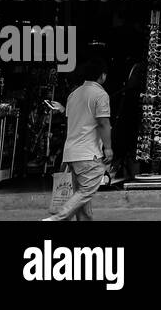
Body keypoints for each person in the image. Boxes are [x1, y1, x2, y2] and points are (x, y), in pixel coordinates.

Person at [45, 58, 112, 222]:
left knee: (83, 200)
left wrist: (62, 109)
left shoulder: (73, 94)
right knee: (86, 190)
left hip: (72, 153)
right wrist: (108, 148)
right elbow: (103, 123)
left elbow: (73, 120)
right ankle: (57, 218)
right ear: (102, 76)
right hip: (89, 154)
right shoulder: (100, 94)